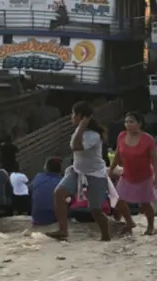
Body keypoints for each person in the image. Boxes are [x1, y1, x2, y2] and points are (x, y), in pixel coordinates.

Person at [48, 102, 133, 242]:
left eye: (74, 114)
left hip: (95, 174)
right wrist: (80, 128)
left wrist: (81, 127)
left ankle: (106, 236)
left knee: (96, 210)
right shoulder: (78, 131)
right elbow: (74, 146)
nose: (72, 117)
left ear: (82, 117)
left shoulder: (93, 135)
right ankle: (63, 230)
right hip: (77, 171)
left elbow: (76, 147)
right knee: (59, 193)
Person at [112, 112, 157, 236]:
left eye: (131, 121)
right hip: (127, 174)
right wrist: (111, 169)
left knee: (145, 203)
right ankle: (129, 222)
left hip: (144, 176)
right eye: (126, 122)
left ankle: (151, 226)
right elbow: (117, 154)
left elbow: (155, 159)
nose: (128, 124)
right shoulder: (122, 136)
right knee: (118, 199)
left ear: (139, 123)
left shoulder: (147, 139)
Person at [30, 157, 63, 226]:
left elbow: (31, 189)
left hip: (37, 215)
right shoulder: (62, 181)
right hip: (55, 216)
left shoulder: (38, 177)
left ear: (46, 167)